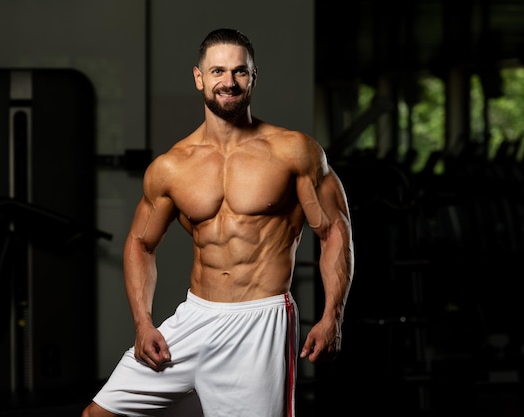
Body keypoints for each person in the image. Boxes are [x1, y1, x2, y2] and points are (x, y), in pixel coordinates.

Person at [81, 28, 354, 417]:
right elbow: (140, 243)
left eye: (240, 72)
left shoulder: (295, 152)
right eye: (217, 72)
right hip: (195, 317)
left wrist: (332, 317)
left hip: (258, 321)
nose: (228, 82)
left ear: (254, 77)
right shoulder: (172, 166)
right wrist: (143, 324)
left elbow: (333, 233)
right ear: (199, 77)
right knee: (98, 415)